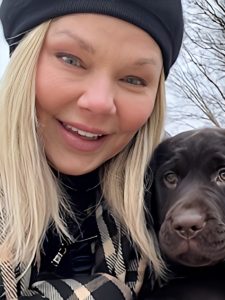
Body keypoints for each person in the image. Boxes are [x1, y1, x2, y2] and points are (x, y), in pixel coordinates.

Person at [0, 1, 184, 299]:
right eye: (71, 59)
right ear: (23, 60)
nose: (99, 102)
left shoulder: (172, 202)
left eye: (133, 79)